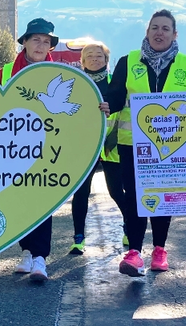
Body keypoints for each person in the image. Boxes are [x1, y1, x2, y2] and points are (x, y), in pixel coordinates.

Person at [100, 9, 186, 277]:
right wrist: (107, 105)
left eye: (165, 28)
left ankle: (159, 250)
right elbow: (116, 97)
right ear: (147, 32)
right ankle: (134, 253)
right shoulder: (127, 62)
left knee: (164, 197)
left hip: (172, 147)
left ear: (174, 34)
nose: (159, 33)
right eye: (154, 27)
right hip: (133, 144)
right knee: (134, 197)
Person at [0, 18, 59, 281]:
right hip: (14, 147)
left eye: (46, 41)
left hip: (48, 148)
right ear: (24, 42)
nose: (41, 45)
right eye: (36, 40)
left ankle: (40, 258)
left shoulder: (59, 73)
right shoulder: (6, 71)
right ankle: (26, 251)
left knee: (43, 201)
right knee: (19, 200)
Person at [68, 41, 128, 254]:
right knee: (81, 192)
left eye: (99, 56)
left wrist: (110, 109)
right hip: (85, 146)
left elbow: (125, 110)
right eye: (90, 56)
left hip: (111, 146)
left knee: (117, 192)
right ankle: (78, 238)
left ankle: (129, 227)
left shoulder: (116, 83)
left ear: (106, 60)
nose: (95, 59)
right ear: (82, 61)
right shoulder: (77, 83)